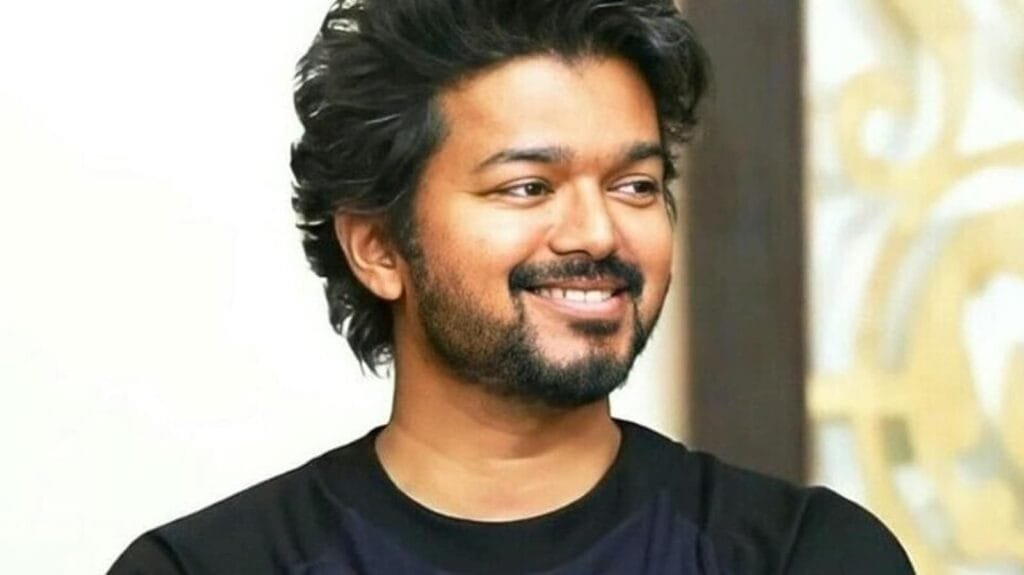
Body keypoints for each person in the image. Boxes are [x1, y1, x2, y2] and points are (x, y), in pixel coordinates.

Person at [109, 0, 915, 573]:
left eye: (635, 185)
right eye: (528, 187)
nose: (597, 232)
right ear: (379, 247)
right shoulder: (210, 566)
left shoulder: (800, 555)